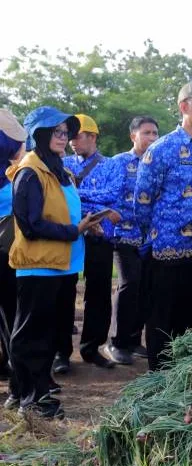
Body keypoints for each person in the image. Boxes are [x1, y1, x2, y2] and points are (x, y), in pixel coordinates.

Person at [6, 107, 100, 418]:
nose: (63, 137)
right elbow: (31, 225)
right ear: (40, 135)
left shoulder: (56, 169)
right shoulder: (29, 172)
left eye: (65, 132)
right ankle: (32, 400)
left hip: (61, 263)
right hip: (39, 265)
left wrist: (85, 225)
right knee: (31, 335)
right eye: (56, 132)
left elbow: (61, 212)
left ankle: (29, 391)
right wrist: (74, 230)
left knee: (46, 333)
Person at [135, 81, 192, 371]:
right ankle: (160, 388)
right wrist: (159, 236)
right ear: (184, 107)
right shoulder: (162, 149)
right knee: (164, 327)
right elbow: (142, 202)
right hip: (168, 256)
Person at [60, 114, 118, 371]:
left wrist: (75, 193)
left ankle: (92, 348)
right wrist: (95, 210)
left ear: (93, 136)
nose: (72, 141)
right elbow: (59, 197)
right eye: (69, 137)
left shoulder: (111, 165)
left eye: (77, 136)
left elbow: (112, 195)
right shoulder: (63, 164)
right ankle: (61, 352)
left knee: (99, 293)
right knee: (64, 292)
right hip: (70, 234)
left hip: (100, 235)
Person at [104, 117, 159, 365]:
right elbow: (107, 194)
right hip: (123, 234)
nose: (152, 138)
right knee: (129, 283)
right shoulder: (118, 162)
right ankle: (116, 342)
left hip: (149, 238)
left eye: (155, 133)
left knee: (145, 287)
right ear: (133, 136)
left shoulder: (157, 162)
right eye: (147, 133)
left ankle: (134, 339)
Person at [0, 109, 26, 380]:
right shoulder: (13, 176)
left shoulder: (13, 174)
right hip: (7, 254)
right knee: (11, 311)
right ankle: (19, 373)